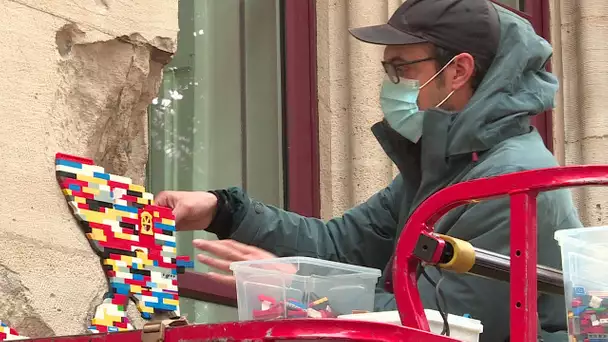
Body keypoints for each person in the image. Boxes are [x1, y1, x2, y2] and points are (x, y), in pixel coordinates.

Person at [156, 0, 580, 340]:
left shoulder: (510, 182)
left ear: (458, 71)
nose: (390, 84)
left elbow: (445, 323)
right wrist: (221, 211)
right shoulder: (445, 169)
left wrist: (298, 291)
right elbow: (339, 246)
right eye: (387, 70)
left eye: (402, 68)